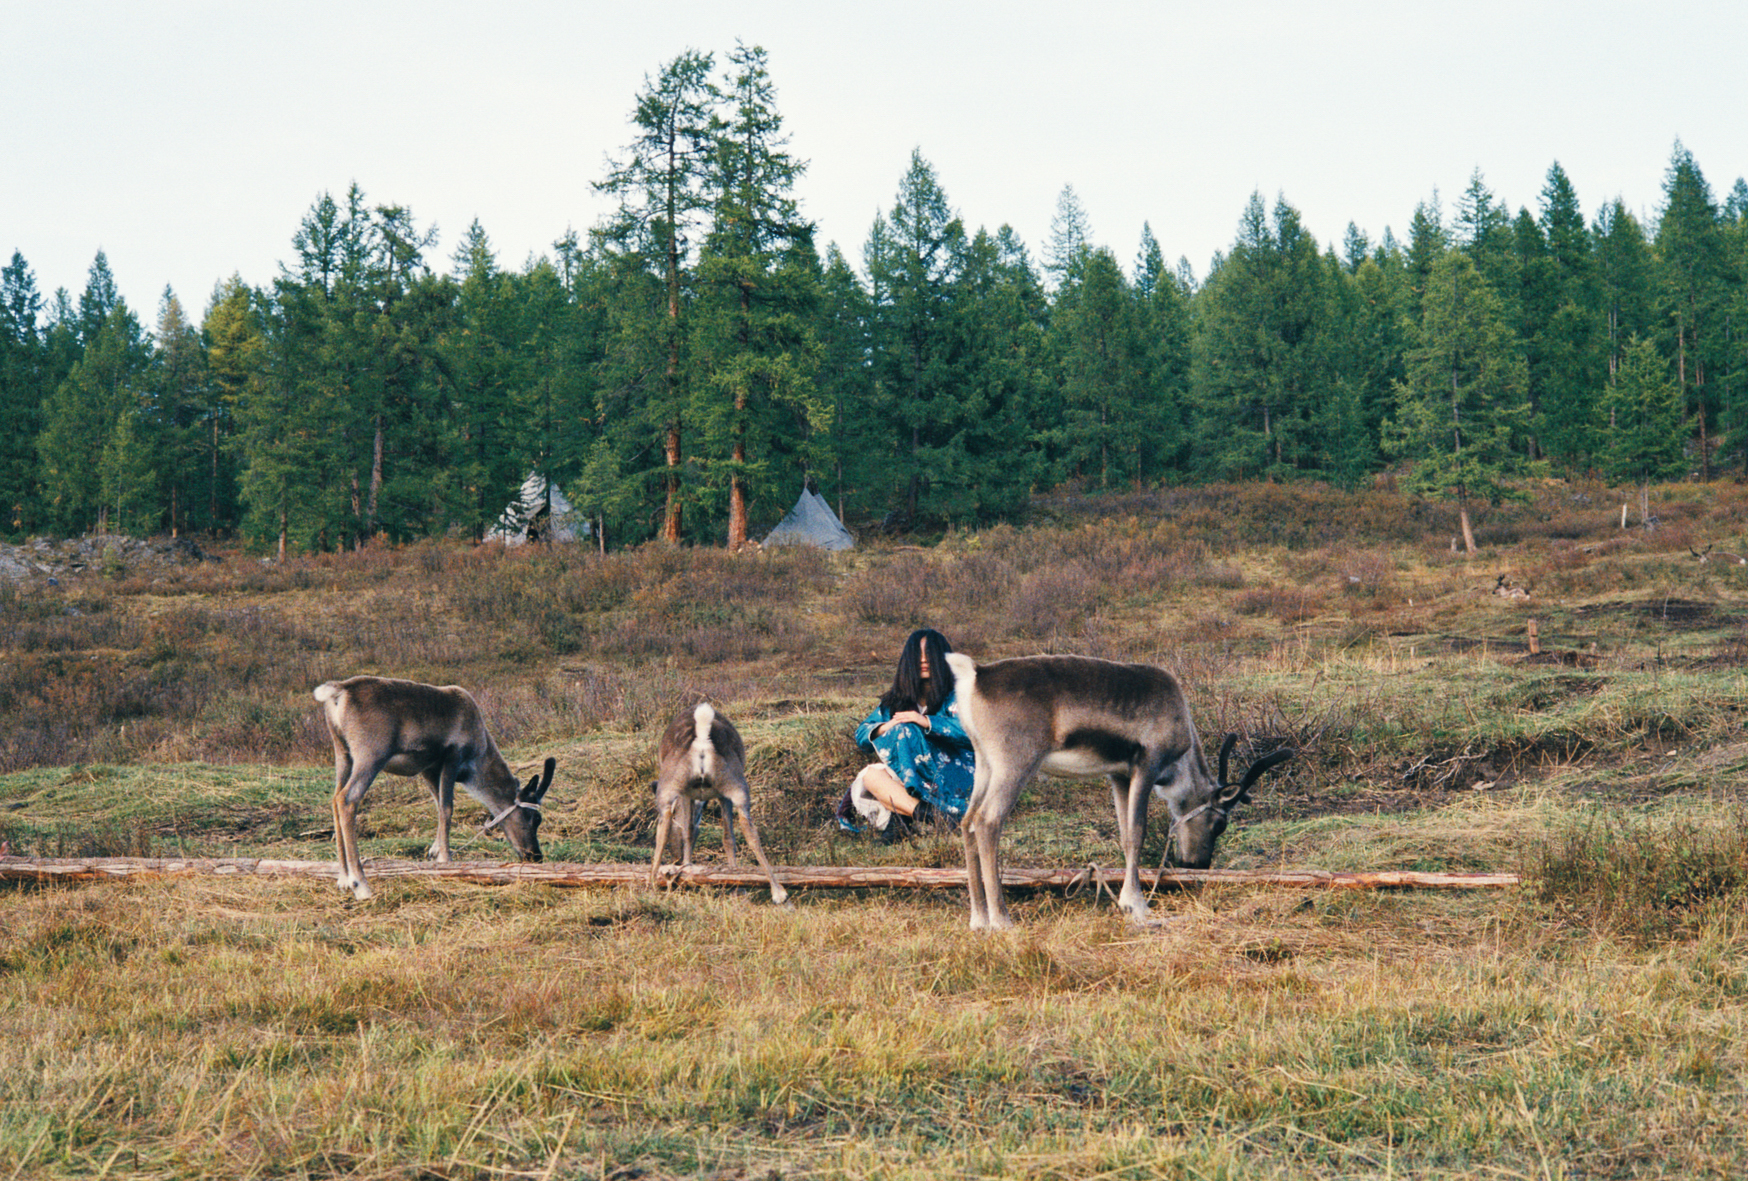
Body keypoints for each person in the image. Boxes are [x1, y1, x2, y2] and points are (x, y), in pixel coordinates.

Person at [837, 628, 975, 838]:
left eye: (929, 654)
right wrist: (888, 725)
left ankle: (904, 820)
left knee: (906, 732)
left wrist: (926, 722)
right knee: (870, 775)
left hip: (952, 778)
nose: (923, 660)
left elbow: (972, 733)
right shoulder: (896, 701)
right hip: (913, 779)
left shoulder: (960, 694)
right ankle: (933, 818)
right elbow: (861, 736)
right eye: (917, 654)